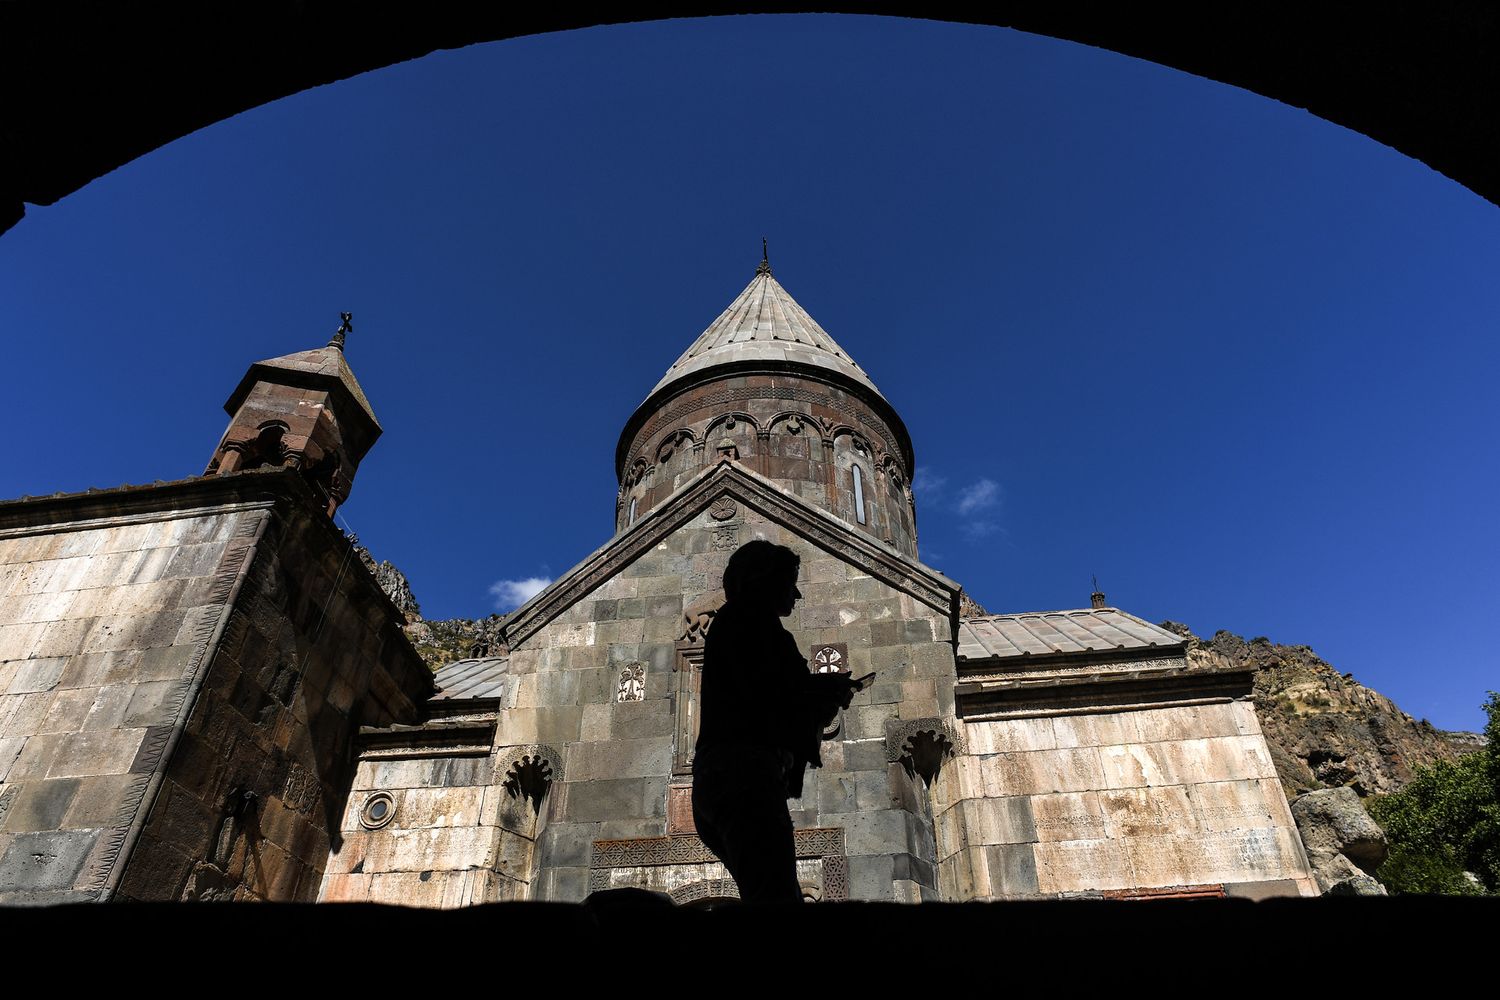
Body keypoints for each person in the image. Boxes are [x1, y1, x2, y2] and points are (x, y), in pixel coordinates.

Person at [691, 540, 865, 903]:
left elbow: (768, 691)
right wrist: (823, 693)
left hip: (719, 778)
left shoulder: (733, 624)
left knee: (763, 894)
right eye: (790, 581)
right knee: (777, 904)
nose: (798, 593)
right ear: (764, 580)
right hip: (745, 778)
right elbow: (773, 697)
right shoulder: (755, 624)